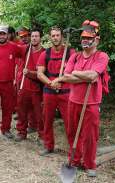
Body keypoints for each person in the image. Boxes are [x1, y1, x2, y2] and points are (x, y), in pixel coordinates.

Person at [51, 20, 109, 177]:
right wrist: (81, 76)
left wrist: (76, 74)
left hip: (91, 103)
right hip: (73, 101)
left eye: (89, 37)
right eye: (83, 37)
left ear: (96, 39)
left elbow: (93, 76)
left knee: (90, 136)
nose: (85, 40)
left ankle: (89, 164)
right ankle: (74, 160)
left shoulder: (101, 56)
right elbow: (66, 77)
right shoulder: (75, 57)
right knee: (71, 132)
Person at [37, 26, 75, 156]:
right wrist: (51, 83)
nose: (55, 38)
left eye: (58, 35)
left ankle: (73, 150)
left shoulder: (71, 53)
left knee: (70, 122)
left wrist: (62, 80)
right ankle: (48, 146)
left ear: (62, 37)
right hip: (49, 92)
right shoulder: (45, 54)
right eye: (53, 35)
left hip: (66, 92)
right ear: (50, 37)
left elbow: (75, 73)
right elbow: (39, 74)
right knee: (47, 120)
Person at [15, 28, 45, 142]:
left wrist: (30, 73)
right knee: (21, 111)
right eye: (32, 36)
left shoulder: (44, 53)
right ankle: (21, 132)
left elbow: (43, 74)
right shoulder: (25, 49)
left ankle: (42, 135)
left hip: (37, 88)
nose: (34, 38)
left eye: (36, 36)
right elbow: (12, 49)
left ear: (40, 38)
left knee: (39, 114)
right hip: (24, 86)